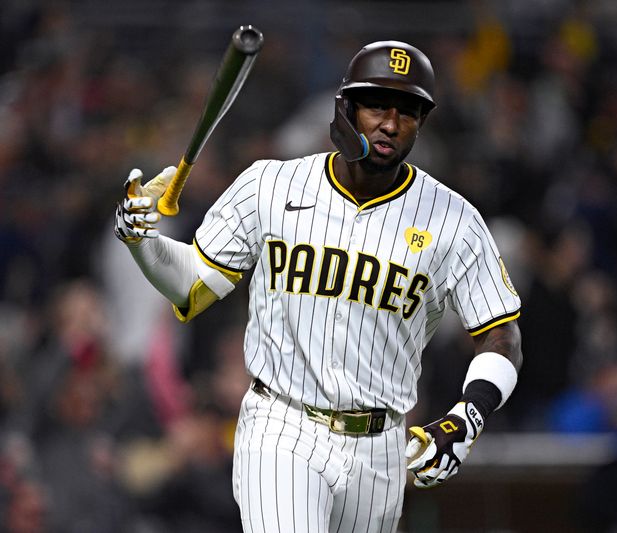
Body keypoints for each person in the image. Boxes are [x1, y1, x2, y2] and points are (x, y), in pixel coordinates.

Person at [113, 40, 523, 533]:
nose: (391, 123)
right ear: (344, 107)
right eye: (376, 104)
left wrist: (469, 416)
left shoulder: (455, 221)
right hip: (282, 424)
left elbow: (502, 334)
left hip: (381, 445)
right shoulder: (270, 185)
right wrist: (144, 242)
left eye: (408, 111)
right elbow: (191, 287)